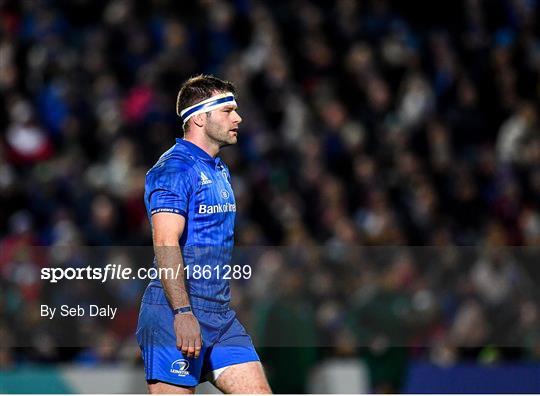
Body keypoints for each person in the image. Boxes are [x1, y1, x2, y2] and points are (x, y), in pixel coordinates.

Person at [136, 75, 272, 394]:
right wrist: (183, 313)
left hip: (220, 316)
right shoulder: (173, 169)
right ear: (200, 116)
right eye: (227, 110)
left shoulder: (217, 167)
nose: (237, 118)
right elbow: (166, 242)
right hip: (175, 312)